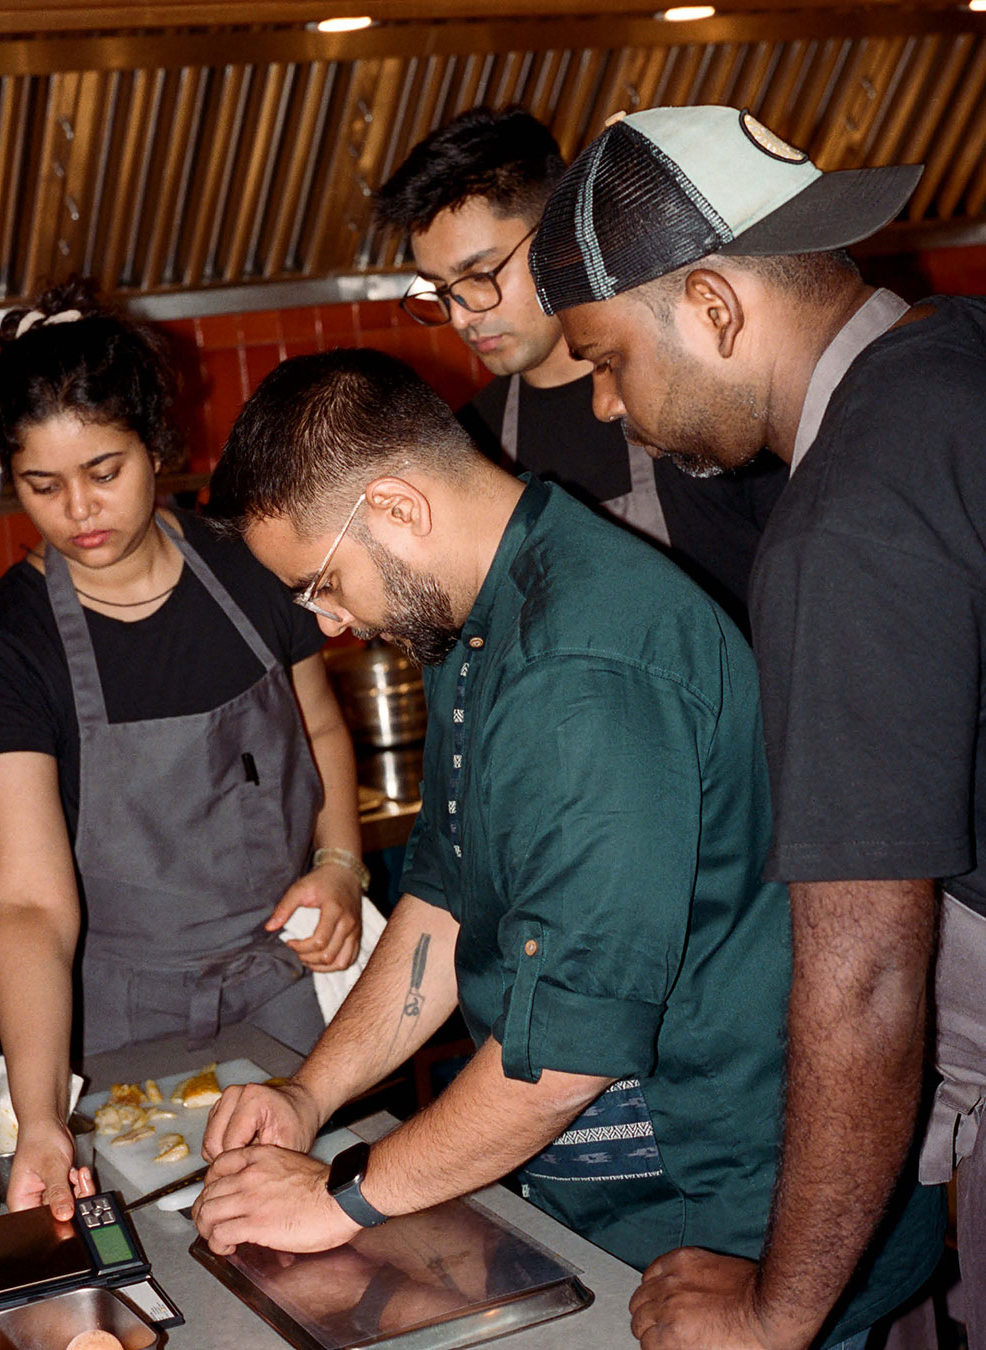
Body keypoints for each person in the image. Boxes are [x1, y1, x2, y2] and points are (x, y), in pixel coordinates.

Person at [197, 346, 878, 1349]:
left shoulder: (585, 673)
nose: (332, 622)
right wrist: (311, 1092)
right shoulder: (480, 612)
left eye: (322, 583)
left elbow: (563, 1059)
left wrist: (339, 1201)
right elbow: (443, 892)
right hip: (597, 1192)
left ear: (397, 508)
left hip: (719, 1220)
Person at [527, 104, 964, 1348]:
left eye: (606, 357)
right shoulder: (958, 360)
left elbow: (870, 964)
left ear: (714, 309)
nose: (604, 404)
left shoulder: (842, 530)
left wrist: (778, 1314)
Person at [0, 279, 366, 1223]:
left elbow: (322, 726)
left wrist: (339, 863)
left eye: (105, 470)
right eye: (40, 486)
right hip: (118, 1022)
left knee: (324, 1222)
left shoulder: (248, 564)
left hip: (283, 987)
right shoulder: (10, 646)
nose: (77, 510)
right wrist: (44, 1113)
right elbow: (26, 901)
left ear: (157, 448)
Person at [374, 104, 786, 628]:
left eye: (480, 273)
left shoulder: (703, 388)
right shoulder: (467, 446)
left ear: (557, 232)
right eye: (440, 289)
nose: (460, 315)